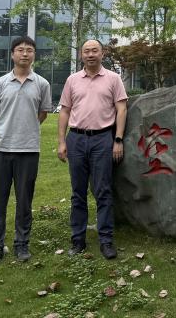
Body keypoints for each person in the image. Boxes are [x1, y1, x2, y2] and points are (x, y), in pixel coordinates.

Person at [0, 36, 52, 265]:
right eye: (20, 50)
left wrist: (26, 130)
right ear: (12, 54)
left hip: (29, 150)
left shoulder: (42, 84)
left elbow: (43, 113)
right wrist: (4, 131)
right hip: (1, 148)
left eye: (29, 50)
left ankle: (21, 244)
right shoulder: (0, 83)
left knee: (24, 201)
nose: (25, 53)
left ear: (34, 55)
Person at [57, 39, 128, 260]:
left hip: (103, 139)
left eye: (94, 50)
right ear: (81, 55)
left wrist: (118, 139)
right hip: (76, 139)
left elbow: (122, 108)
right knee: (77, 192)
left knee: (103, 191)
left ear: (102, 54)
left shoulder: (113, 79)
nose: (90, 54)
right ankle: (77, 239)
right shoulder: (72, 80)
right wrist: (61, 141)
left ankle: (106, 240)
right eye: (86, 51)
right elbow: (65, 111)